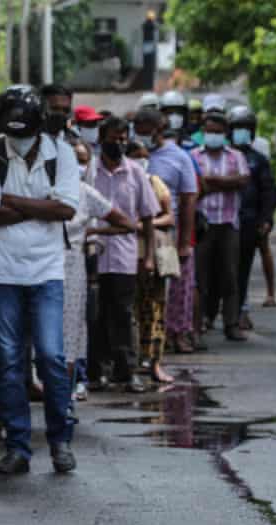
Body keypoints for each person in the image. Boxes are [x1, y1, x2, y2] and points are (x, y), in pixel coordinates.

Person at [0, 85, 79, 475]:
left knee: (53, 358)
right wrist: (41, 206)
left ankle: (60, 441)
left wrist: (11, 201)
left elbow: (66, 209)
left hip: (47, 272)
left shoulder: (62, 154)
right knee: (6, 361)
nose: (17, 142)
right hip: (0, 273)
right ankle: (17, 446)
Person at [64, 139, 136, 401]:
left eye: (82, 159)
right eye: (71, 158)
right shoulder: (43, 191)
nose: (77, 165)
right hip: (36, 272)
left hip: (73, 276)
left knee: (71, 337)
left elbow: (127, 224)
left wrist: (93, 231)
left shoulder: (86, 193)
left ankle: (67, 395)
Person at [90, 117, 159, 393]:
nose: (117, 143)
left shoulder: (135, 173)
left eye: (122, 138)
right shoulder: (89, 171)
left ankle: (127, 370)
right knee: (95, 315)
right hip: (93, 253)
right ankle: (98, 370)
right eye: (113, 138)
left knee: (123, 313)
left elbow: (148, 218)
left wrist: (150, 256)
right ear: (102, 138)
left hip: (124, 256)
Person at [134, 108, 199, 353]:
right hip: (132, 233)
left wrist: (184, 243)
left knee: (170, 287)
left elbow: (188, 199)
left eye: (145, 132)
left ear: (159, 130)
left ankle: (176, 334)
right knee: (139, 292)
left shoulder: (179, 157)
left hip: (165, 233)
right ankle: (142, 343)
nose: (140, 136)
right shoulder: (129, 154)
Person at [192, 112, 251, 341]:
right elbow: (196, 186)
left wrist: (211, 182)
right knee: (200, 275)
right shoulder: (194, 155)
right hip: (202, 224)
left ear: (225, 134)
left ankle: (231, 323)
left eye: (217, 132)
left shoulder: (236, 156)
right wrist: (227, 182)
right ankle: (200, 322)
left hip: (228, 223)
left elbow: (243, 181)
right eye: (209, 131)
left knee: (229, 275)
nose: (213, 136)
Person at [128, 141, 178, 383]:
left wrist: (146, 223)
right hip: (126, 253)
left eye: (143, 157)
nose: (140, 161)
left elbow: (169, 215)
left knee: (155, 309)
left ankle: (155, 363)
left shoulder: (154, 182)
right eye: (135, 157)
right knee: (132, 311)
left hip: (154, 252)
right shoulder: (121, 180)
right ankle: (133, 361)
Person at [229, 106, 276, 328]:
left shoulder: (258, 160)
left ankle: (239, 311)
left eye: (245, 128)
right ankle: (208, 315)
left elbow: (269, 192)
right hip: (219, 224)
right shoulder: (220, 157)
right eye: (237, 128)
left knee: (242, 269)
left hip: (248, 223)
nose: (241, 132)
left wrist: (266, 219)